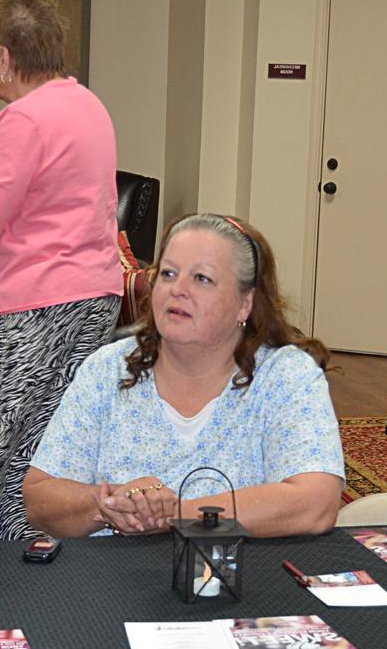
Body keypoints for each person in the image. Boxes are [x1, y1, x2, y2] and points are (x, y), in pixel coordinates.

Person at [0, 0, 123, 542]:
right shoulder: (88, 104)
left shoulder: (20, 122)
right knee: (58, 442)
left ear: (5, 58)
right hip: (93, 295)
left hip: (31, 304)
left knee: (1, 446)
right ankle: (50, 548)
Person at [23, 214, 343, 537]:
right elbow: (40, 500)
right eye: (168, 274)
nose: (178, 289)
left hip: (239, 581)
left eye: (202, 279)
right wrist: (114, 502)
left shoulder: (286, 375)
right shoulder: (108, 369)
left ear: (245, 304)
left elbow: (315, 504)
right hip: (111, 580)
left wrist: (174, 515)